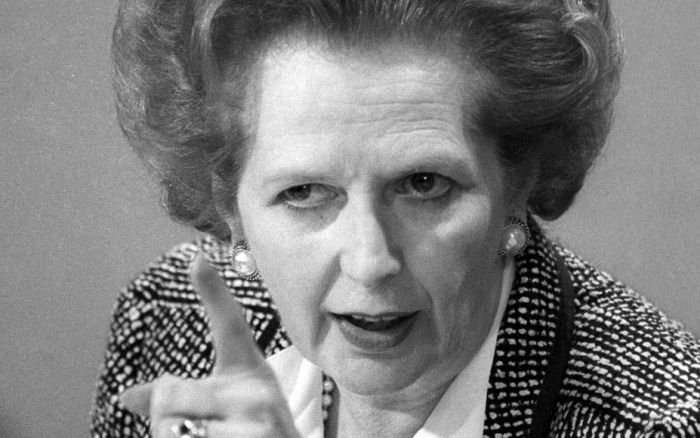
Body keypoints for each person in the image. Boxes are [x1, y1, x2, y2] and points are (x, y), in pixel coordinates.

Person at [92, 0, 700, 437]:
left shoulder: (655, 424)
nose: (370, 261)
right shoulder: (167, 319)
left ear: (517, 182)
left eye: (423, 185)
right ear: (230, 206)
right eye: (305, 192)